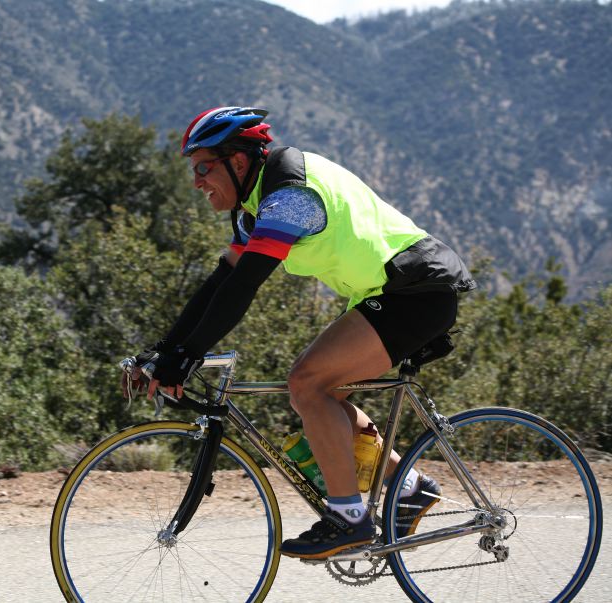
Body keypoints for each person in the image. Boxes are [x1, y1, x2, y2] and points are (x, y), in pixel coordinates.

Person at [131, 106, 477, 559]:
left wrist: (190, 352)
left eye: (202, 167)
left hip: (417, 290)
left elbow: (245, 284)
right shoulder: (254, 207)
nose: (196, 180)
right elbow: (220, 281)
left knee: (307, 382)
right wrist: (166, 349)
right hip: (394, 291)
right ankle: (408, 488)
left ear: (237, 162)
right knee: (319, 392)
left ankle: (349, 520)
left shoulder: (289, 196)